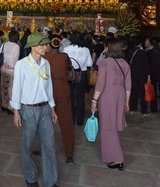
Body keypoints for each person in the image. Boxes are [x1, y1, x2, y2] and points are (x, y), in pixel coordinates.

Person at [11, 32, 67, 187]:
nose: (46, 47)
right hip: (28, 109)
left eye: (46, 44)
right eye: (43, 45)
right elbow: (17, 89)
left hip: (44, 110)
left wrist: (52, 108)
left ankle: (51, 182)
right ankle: (30, 176)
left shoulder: (46, 64)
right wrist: (16, 111)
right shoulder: (22, 65)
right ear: (34, 47)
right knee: (27, 145)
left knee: (49, 145)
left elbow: (49, 87)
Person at [90, 39, 131, 170]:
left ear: (109, 48)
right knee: (112, 125)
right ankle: (112, 156)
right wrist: (127, 101)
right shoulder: (125, 63)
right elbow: (128, 85)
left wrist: (94, 100)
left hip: (108, 97)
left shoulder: (105, 62)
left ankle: (117, 158)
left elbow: (100, 83)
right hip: (120, 96)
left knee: (108, 127)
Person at [44, 36, 75, 165]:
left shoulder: (45, 57)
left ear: (49, 45)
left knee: (45, 123)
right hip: (63, 91)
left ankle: (45, 150)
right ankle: (69, 154)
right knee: (66, 122)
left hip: (47, 92)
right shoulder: (64, 57)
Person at [62, 31, 93, 125]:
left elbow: (64, 63)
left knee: (71, 96)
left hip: (70, 74)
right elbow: (89, 64)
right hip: (81, 74)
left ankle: (71, 119)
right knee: (80, 97)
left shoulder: (66, 49)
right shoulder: (86, 50)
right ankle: (79, 120)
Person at [127, 36, 152, 114]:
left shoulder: (130, 51)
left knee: (134, 92)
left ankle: (132, 109)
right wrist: (149, 75)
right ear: (140, 43)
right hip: (142, 75)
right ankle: (144, 111)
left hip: (132, 74)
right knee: (143, 92)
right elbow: (147, 65)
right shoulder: (143, 53)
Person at [0, 30, 21, 114]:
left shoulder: (5, 44)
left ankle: (4, 105)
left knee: (3, 86)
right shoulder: (16, 46)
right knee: (11, 88)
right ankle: (10, 107)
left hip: (3, 68)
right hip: (11, 70)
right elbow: (15, 60)